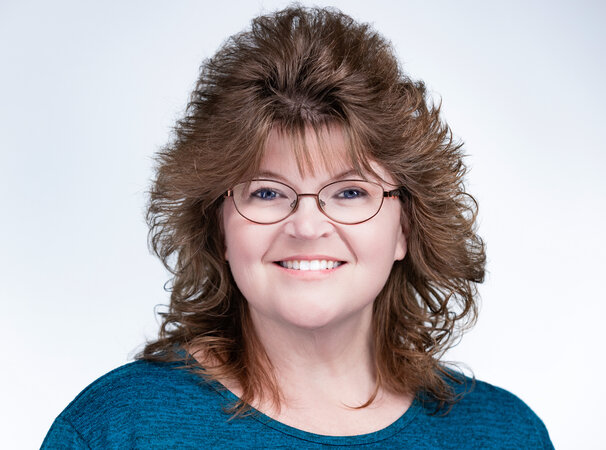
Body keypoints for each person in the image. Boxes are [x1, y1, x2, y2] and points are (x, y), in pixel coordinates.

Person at [42, 6, 553, 448]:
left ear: (405, 229)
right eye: (267, 192)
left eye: (349, 192)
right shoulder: (117, 429)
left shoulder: (507, 435)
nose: (307, 226)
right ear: (219, 228)